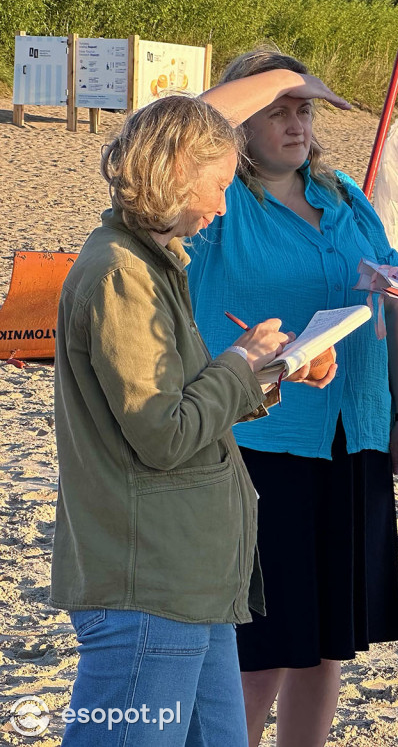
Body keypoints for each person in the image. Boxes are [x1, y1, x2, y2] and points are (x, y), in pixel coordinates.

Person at [187, 49, 398, 747]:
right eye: (277, 109)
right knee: (262, 645)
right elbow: (161, 149)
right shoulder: (218, 201)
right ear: (239, 121)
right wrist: (229, 105)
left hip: (353, 434)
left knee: (328, 638)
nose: (296, 124)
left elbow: (396, 303)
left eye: (303, 109)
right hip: (262, 440)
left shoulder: (343, 192)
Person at [52, 95, 303, 746]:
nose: (223, 207)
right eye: (219, 185)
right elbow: (162, 431)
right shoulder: (121, 273)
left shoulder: (152, 265)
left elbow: (189, 400)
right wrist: (241, 365)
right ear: (173, 168)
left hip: (191, 581)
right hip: (150, 583)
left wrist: (272, 369)